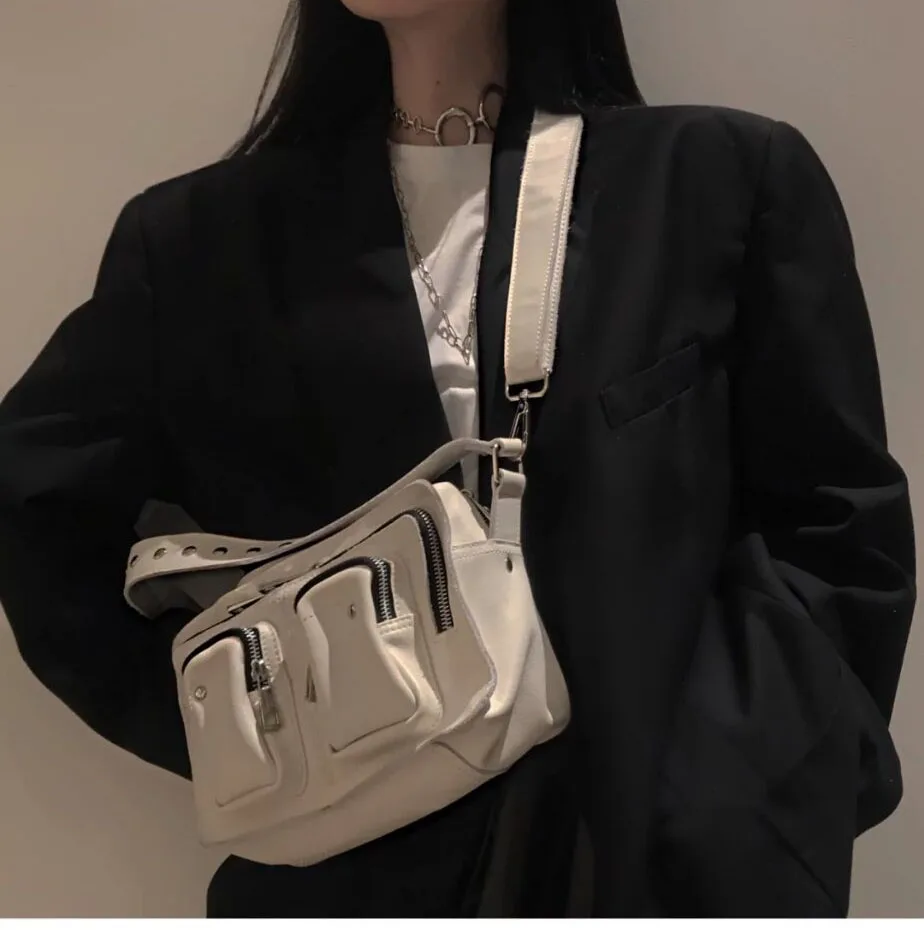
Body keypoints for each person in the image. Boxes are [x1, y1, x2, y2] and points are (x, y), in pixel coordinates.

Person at [0, 0, 915, 918]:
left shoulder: (714, 184)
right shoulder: (202, 242)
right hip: (346, 885)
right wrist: (242, 731)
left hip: (666, 875)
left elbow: (839, 531)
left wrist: (739, 782)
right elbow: (32, 508)